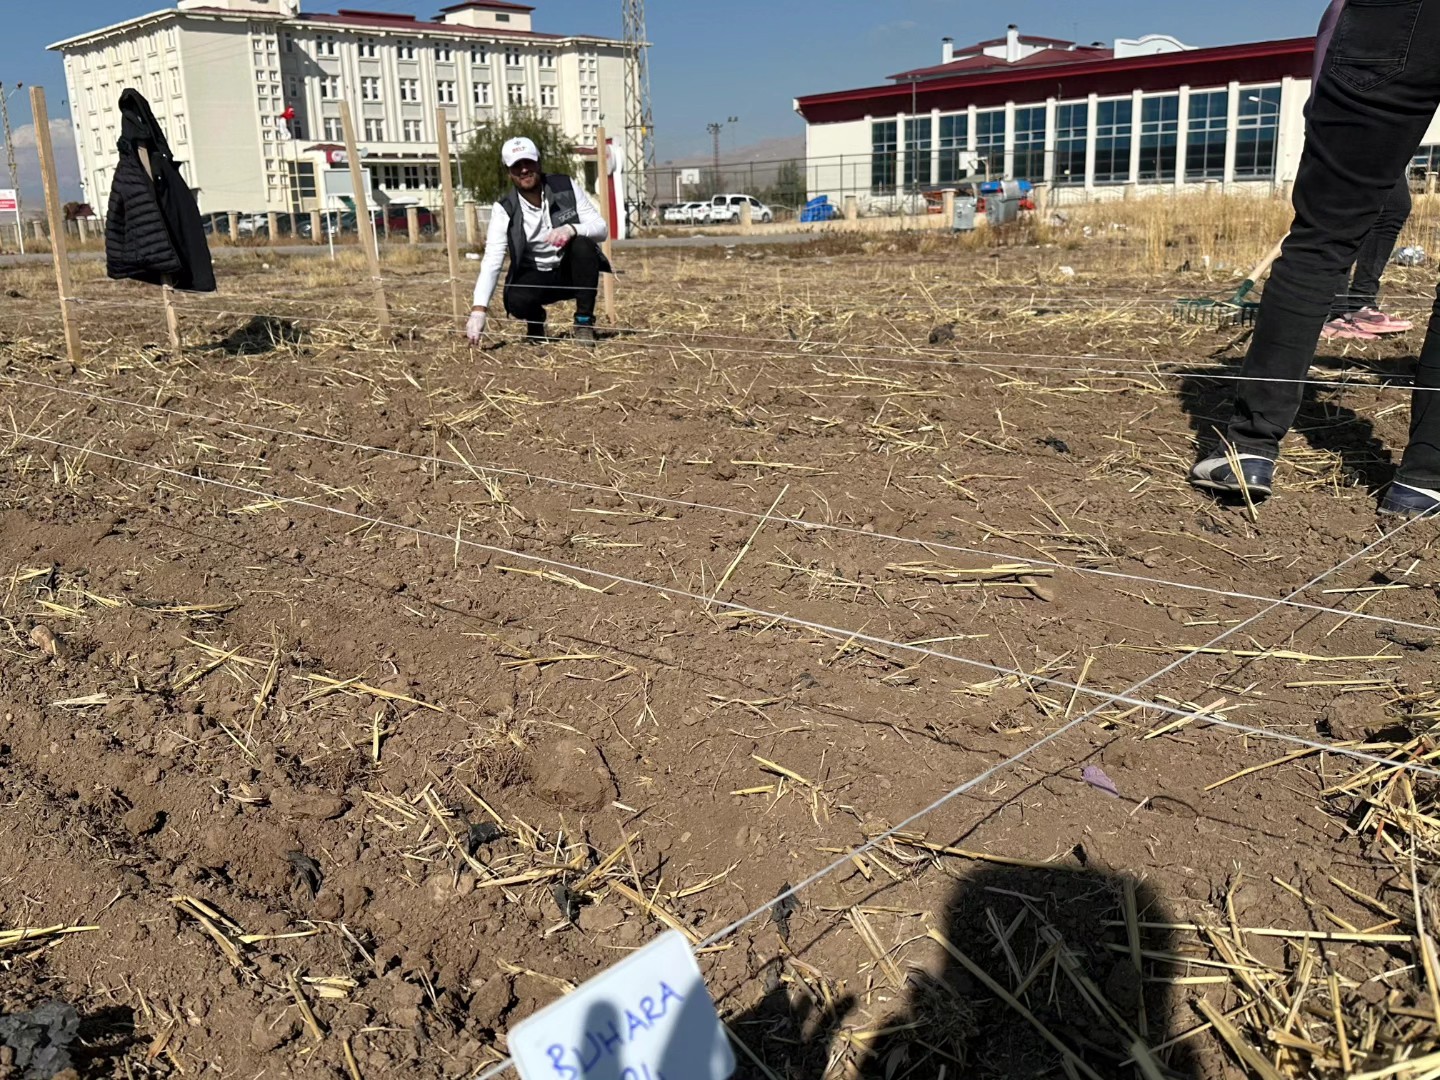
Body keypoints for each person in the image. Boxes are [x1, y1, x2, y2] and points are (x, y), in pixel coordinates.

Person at [1190, 0, 1440, 516]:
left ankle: (1249, 450)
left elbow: (1339, 10)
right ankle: (1426, 479)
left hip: (1395, 19)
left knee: (1321, 238)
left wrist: (1328, 99)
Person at [466, 136, 609, 346]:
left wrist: (571, 229)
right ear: (508, 172)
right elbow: (492, 260)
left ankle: (583, 323)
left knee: (584, 245)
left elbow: (601, 228)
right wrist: (478, 310)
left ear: (539, 162)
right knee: (515, 300)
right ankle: (535, 321)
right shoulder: (504, 209)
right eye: (516, 166)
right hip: (535, 275)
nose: (524, 170)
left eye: (529, 162)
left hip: (569, 273)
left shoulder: (565, 186)